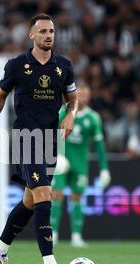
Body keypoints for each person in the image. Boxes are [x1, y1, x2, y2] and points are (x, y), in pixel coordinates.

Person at [0, 14, 78, 264]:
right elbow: (0, 95)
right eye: (43, 31)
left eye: (52, 31)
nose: (49, 35)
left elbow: (73, 100)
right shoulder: (16, 66)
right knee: (45, 195)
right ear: (31, 35)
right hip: (25, 139)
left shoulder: (64, 67)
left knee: (31, 201)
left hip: (49, 141)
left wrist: (71, 115)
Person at [50, 84, 110, 247]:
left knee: (77, 196)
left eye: (85, 94)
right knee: (57, 194)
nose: (82, 97)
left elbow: (99, 145)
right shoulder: (63, 111)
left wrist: (104, 169)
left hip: (80, 164)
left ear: (89, 97)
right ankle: (53, 234)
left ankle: (76, 236)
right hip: (61, 162)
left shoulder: (93, 118)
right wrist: (58, 156)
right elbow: (52, 134)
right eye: (80, 94)